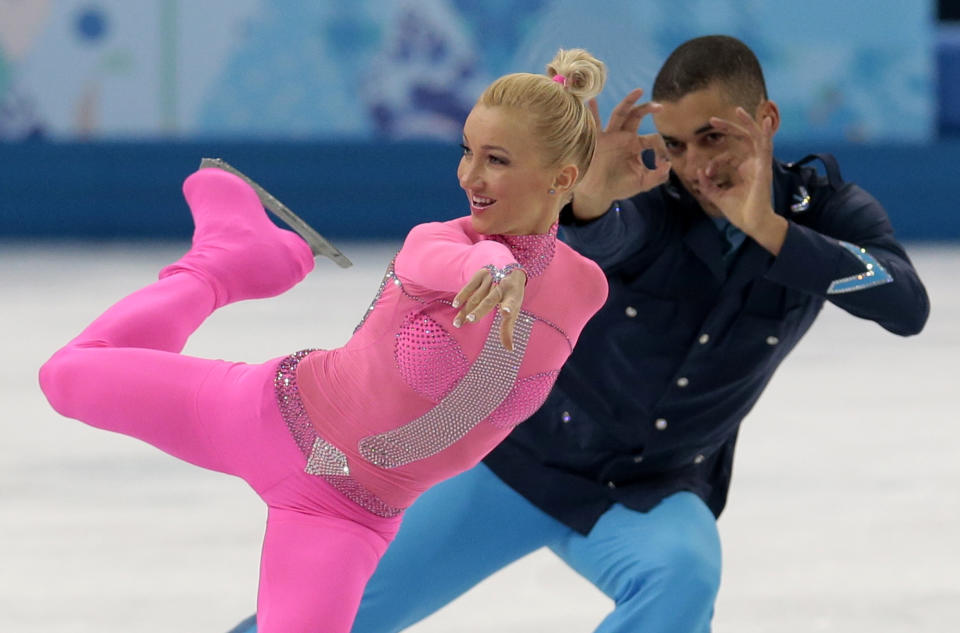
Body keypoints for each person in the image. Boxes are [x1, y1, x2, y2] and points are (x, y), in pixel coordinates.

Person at [228, 34, 930, 633]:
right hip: (517, 464)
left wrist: (771, 231)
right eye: (677, 143)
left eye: (713, 138)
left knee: (682, 575)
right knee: (328, 608)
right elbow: (600, 243)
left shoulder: (827, 211)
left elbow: (905, 305)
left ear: (766, 118)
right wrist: (590, 200)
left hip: (650, 491)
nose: (695, 165)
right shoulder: (656, 201)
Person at [37, 49, 618, 633]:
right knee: (65, 376)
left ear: (562, 178)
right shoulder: (437, 243)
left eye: (495, 160)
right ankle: (218, 268)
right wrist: (494, 267)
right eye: (467, 151)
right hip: (267, 417)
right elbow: (455, 260)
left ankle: (239, 254)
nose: (469, 175)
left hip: (346, 516)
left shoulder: (583, 289)